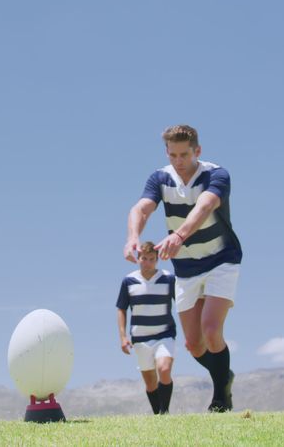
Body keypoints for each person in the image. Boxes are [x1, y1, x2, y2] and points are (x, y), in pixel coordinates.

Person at [124, 124, 242, 412]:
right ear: (167, 152)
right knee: (194, 344)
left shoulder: (217, 174)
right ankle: (224, 374)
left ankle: (220, 397)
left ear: (197, 151)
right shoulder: (160, 178)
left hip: (220, 260)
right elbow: (140, 209)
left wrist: (178, 235)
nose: (179, 161)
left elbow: (204, 206)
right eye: (173, 155)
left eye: (184, 155)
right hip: (187, 268)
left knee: (212, 330)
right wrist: (133, 237)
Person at [116, 241, 177, 415]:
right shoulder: (128, 281)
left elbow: (182, 304)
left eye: (151, 259)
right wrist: (122, 337)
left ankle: (165, 413)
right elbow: (121, 309)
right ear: (138, 258)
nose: (147, 262)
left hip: (164, 334)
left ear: (157, 259)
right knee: (150, 383)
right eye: (144, 258)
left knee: (164, 369)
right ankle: (158, 414)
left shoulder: (168, 279)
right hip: (140, 339)